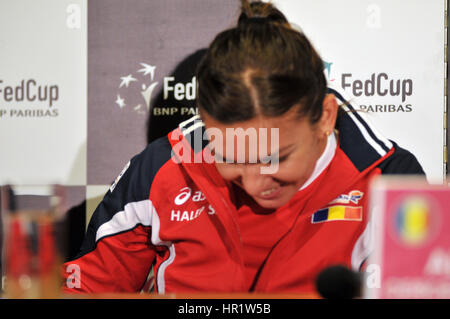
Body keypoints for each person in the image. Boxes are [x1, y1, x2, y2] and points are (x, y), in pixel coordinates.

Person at [63, 0, 424, 294]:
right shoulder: (163, 166)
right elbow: (85, 288)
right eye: (230, 158)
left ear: (326, 117)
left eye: (275, 157)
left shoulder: (392, 180)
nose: (253, 184)